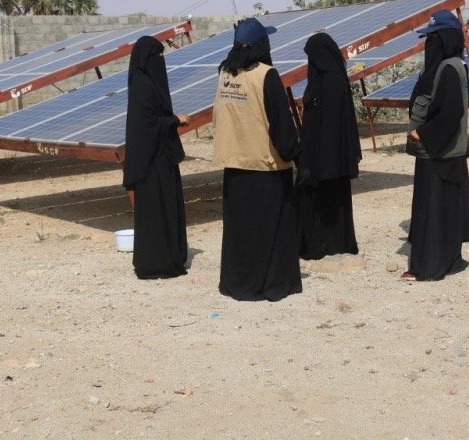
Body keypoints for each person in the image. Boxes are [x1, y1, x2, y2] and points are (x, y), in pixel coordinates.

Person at [212, 18, 302, 301]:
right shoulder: (266, 75)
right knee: (269, 231)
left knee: (240, 231)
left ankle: (237, 283)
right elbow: (281, 125)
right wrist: (296, 155)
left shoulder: (224, 73)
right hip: (266, 169)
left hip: (235, 167)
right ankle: (270, 284)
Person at [402, 10, 469, 282]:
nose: (428, 45)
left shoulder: (448, 68)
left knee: (434, 212)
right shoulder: (452, 65)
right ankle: (447, 261)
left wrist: (423, 133)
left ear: (443, 39)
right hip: (443, 152)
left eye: (432, 38)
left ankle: (431, 267)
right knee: (444, 211)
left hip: (440, 153)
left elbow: (450, 111)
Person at [122, 36, 190, 279]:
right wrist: (175, 120)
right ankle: (158, 262)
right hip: (151, 162)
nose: (160, 61)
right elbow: (148, 125)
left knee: (167, 207)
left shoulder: (145, 81)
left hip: (161, 155)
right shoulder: (143, 85)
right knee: (156, 209)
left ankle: (172, 254)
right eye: (157, 57)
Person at [297, 32, 361, 260]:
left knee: (325, 200)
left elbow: (331, 127)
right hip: (327, 160)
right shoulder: (327, 80)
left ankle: (326, 244)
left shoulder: (331, 83)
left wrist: (321, 162)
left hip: (326, 161)